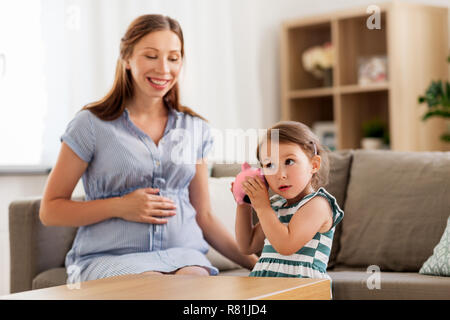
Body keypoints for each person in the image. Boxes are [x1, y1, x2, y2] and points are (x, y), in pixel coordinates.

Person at [39, 14, 257, 284]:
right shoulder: (90, 124)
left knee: (193, 286)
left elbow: (205, 216)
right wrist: (120, 206)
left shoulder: (194, 128)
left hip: (183, 255)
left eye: (173, 57)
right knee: (152, 285)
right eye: (151, 56)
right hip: (109, 257)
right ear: (127, 58)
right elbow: (50, 210)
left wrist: (258, 265)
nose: (164, 69)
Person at [233, 121, 344, 280]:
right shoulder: (276, 205)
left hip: (302, 290)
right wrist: (243, 202)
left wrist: (263, 207)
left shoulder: (318, 204)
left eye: (289, 161)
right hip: (267, 286)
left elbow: (286, 245)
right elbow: (247, 245)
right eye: (270, 165)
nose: (280, 174)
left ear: (314, 165)